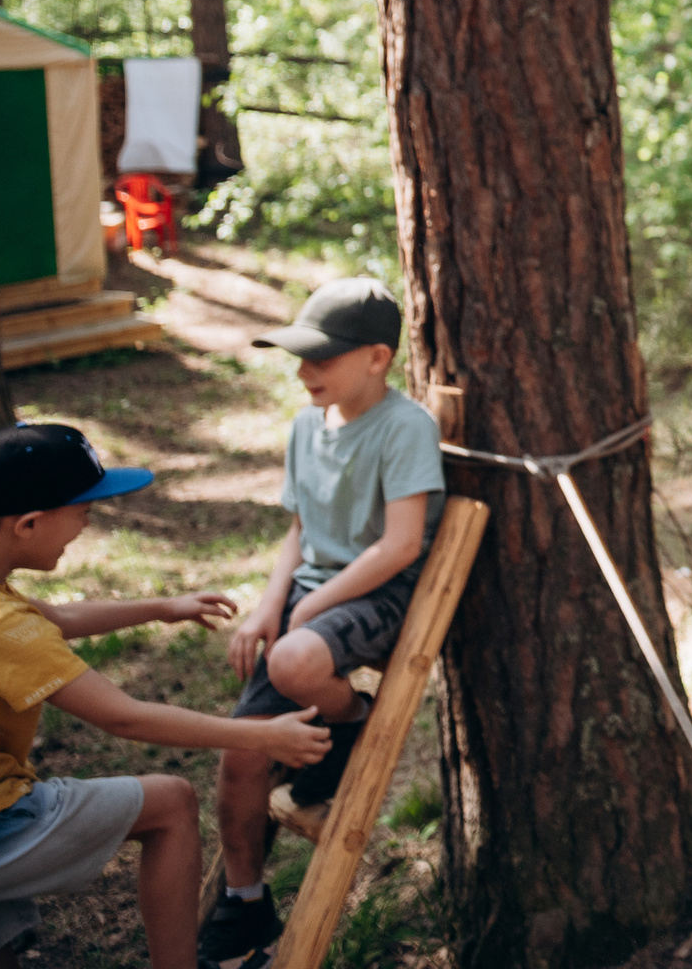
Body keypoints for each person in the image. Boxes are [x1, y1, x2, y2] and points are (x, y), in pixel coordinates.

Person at [0, 423, 330, 969]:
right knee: (170, 803)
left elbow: (56, 618)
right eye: (82, 509)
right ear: (28, 524)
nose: (88, 522)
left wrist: (161, 607)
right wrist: (262, 734)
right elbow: (125, 719)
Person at [199, 279, 446, 969]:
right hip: (316, 597)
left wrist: (308, 609)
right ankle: (245, 901)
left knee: (295, 659)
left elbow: (398, 545)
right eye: (299, 359)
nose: (304, 372)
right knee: (240, 755)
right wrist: (269, 605)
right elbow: (299, 532)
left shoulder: (405, 427)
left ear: (377, 357)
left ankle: (349, 721)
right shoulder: (307, 425)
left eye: (321, 359)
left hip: (380, 596)